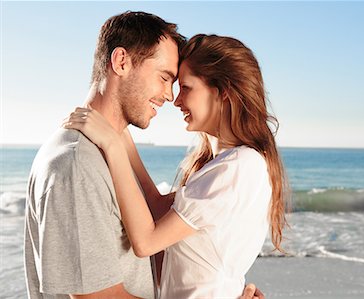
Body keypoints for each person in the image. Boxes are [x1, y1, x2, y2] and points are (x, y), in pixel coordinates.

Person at [24, 11, 262, 299]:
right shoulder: (78, 164)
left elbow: (159, 253)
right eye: (164, 77)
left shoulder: (109, 157)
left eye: (178, 85)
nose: (169, 95)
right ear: (121, 62)